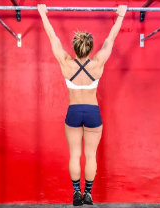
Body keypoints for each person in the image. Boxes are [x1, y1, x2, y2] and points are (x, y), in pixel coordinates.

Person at [37, 4, 127, 206]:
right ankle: (88, 194)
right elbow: (110, 39)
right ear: (89, 48)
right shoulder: (97, 63)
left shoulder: (66, 63)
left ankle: (76, 192)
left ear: (76, 48)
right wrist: (121, 15)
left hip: (74, 112)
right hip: (93, 112)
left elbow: (53, 37)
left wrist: (43, 14)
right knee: (90, 155)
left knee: (75, 155)